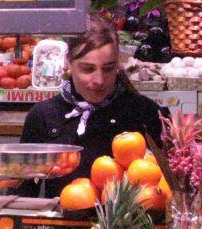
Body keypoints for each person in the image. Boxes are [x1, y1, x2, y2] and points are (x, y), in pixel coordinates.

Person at [21, 15, 166, 196]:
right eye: (88, 69)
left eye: (108, 68)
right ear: (68, 62)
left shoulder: (145, 113)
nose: (99, 80)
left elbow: (171, 190)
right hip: (64, 214)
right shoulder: (44, 116)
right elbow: (23, 193)